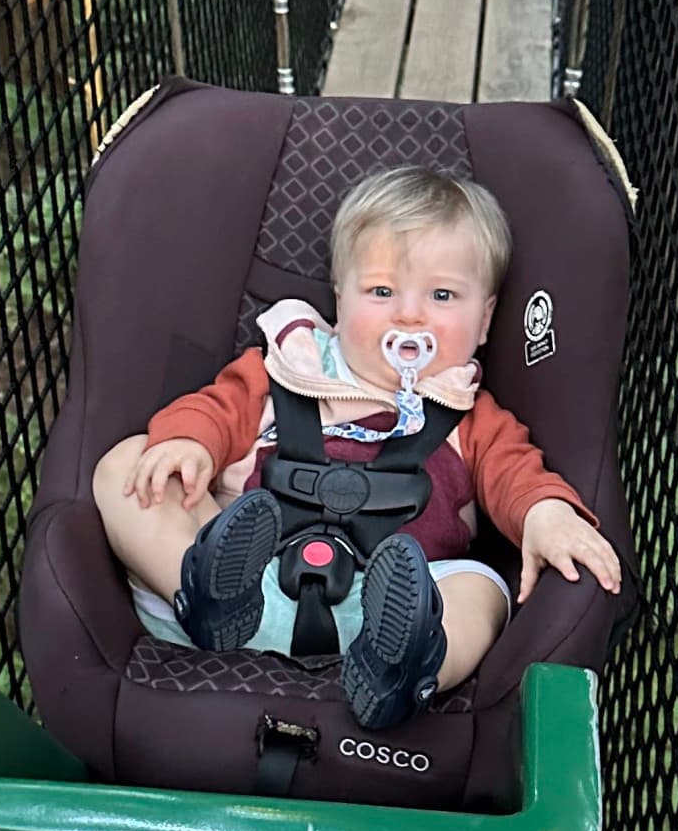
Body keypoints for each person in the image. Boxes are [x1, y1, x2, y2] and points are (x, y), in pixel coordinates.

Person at [92, 165, 620, 730]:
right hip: (242, 579)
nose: (409, 314)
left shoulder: (471, 419)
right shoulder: (283, 371)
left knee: (482, 590)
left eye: (442, 295)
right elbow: (214, 409)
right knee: (125, 466)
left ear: (485, 318)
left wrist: (546, 513)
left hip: (387, 609)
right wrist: (190, 443)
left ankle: (408, 666)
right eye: (382, 291)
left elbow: (518, 473)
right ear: (340, 301)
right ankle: (212, 597)